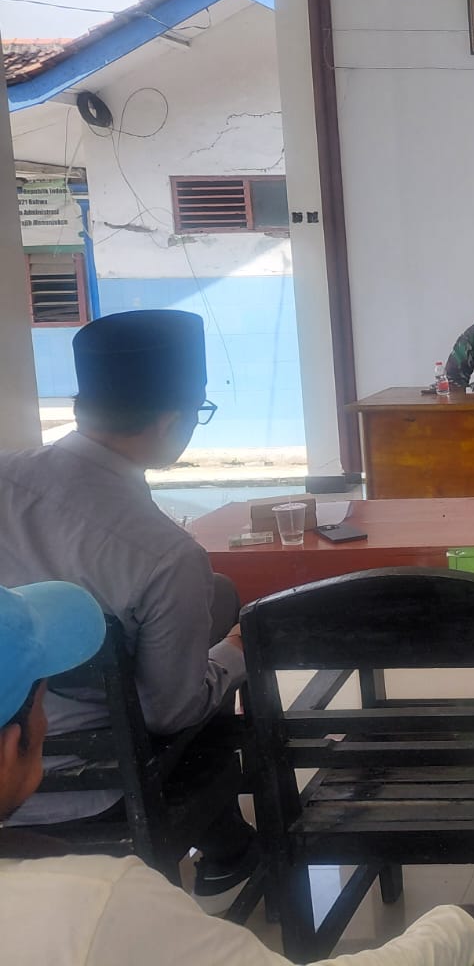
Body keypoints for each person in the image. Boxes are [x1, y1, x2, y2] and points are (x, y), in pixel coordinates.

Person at [0, 579, 474, 965]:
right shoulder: (94, 904)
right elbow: (172, 709)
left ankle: (229, 850)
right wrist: (458, 927)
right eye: (46, 698)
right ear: (10, 749)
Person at [0, 310, 257, 907]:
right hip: (82, 787)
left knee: (214, 594)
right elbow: (170, 713)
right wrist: (236, 652)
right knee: (214, 672)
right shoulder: (166, 555)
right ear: (170, 422)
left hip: (18, 754)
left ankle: (228, 842)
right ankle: (227, 842)